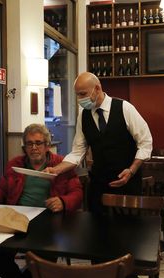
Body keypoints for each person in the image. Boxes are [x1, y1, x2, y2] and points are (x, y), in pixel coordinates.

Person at [0, 123, 83, 278]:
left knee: (39, 264)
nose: (34, 148)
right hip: (18, 220)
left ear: (47, 146)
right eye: (29, 143)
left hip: (49, 222)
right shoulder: (15, 164)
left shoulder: (61, 164)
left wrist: (63, 202)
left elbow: (78, 193)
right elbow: (2, 190)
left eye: (38, 143)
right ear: (24, 147)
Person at [45, 72, 152, 213]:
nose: (79, 99)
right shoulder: (84, 116)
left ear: (97, 88)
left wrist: (131, 170)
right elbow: (77, 152)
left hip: (127, 182)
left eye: (83, 94)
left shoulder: (124, 108)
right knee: (96, 228)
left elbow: (145, 142)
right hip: (98, 184)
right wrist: (56, 169)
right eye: (77, 95)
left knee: (127, 229)